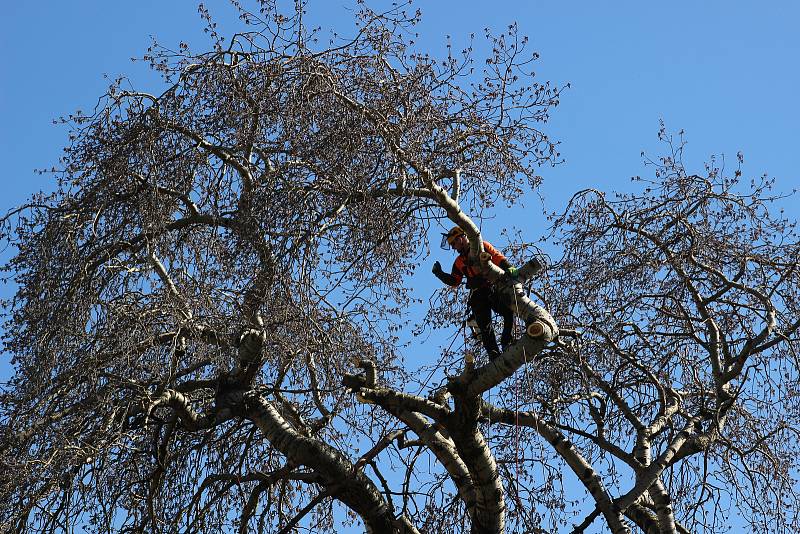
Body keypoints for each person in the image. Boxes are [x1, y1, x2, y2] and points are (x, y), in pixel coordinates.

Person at [432, 226, 518, 360]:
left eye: (454, 243)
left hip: (492, 289)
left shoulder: (482, 247)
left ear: (461, 238)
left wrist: (509, 267)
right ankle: (493, 354)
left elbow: (497, 257)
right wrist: (440, 274)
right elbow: (455, 281)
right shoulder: (459, 262)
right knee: (485, 327)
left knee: (508, 311)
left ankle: (506, 341)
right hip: (478, 296)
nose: (454, 247)